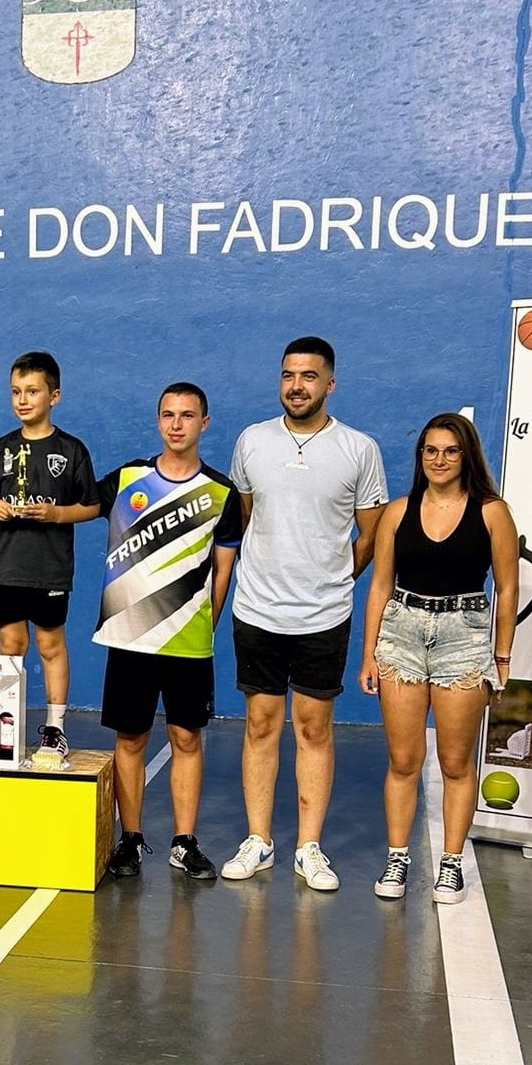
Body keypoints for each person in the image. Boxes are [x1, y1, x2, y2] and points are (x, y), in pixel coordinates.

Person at [221, 337, 387, 889]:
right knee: (260, 724)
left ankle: (309, 848)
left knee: (314, 728)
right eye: (289, 375)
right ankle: (259, 841)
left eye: (309, 376)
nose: (297, 386)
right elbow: (244, 519)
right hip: (257, 609)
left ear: (330, 384)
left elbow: (370, 535)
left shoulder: (359, 449)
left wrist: (333, 579)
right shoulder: (252, 441)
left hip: (324, 615)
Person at [358, 413, 518, 903]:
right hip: (401, 634)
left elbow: (508, 587)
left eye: (450, 451)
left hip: (463, 639)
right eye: (430, 450)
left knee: (454, 761)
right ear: (420, 456)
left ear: (466, 456)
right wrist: (369, 655)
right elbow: (379, 586)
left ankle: (451, 864)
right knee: (404, 760)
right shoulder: (397, 512)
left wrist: (501, 657)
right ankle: (397, 859)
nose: (439, 459)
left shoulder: (492, 513)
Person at [96, 383, 242, 881]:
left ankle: (184, 842)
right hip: (131, 636)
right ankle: (130, 840)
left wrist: (203, 625)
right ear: (158, 421)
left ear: (204, 423)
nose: (176, 424)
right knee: (131, 739)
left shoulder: (222, 493)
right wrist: (2, 506)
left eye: (187, 415)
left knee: (186, 738)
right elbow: (74, 508)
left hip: (188, 642)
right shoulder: (128, 479)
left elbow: (223, 571)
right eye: (168, 415)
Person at [0, 352, 98, 770]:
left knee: (49, 645)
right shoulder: (1, 449)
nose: (23, 400)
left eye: (32, 391)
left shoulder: (71, 450)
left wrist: (57, 514)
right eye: (16, 392)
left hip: (49, 568)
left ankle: (55, 729)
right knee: (10, 645)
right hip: (6, 566)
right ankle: (7, 724)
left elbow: (92, 506)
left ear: (54, 396)